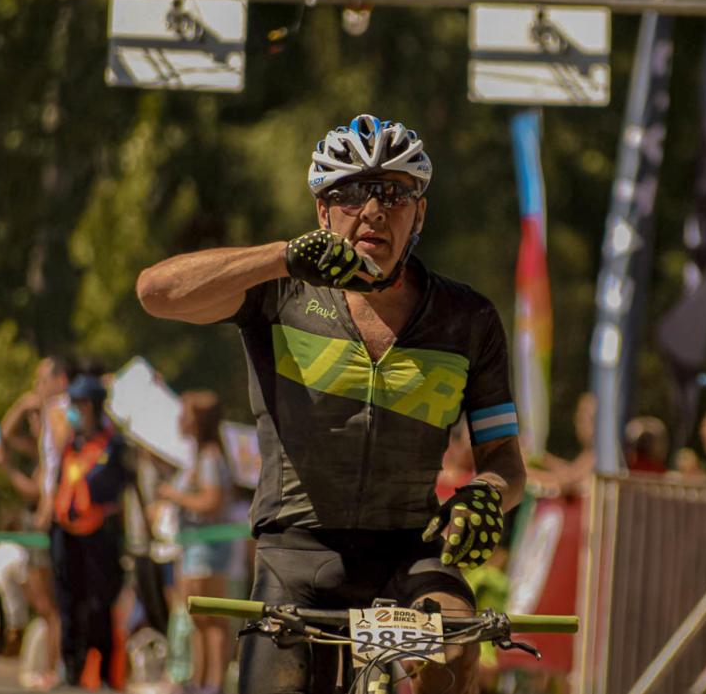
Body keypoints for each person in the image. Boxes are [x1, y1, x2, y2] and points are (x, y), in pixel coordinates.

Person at [137, 114, 527, 694]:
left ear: (419, 213)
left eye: (394, 193)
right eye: (350, 193)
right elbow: (155, 292)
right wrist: (282, 257)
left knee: (451, 650)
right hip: (295, 554)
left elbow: (505, 463)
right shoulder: (280, 292)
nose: (373, 211)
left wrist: (488, 493)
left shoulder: (467, 319)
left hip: (410, 555)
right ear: (322, 211)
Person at [0, 355, 72, 687]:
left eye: (42, 380)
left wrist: (7, 468)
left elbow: (39, 488)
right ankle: (53, 668)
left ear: (60, 380)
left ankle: (54, 670)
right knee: (47, 606)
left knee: (50, 606)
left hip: (48, 523)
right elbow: (4, 433)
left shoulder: (61, 418)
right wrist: (24, 403)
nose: (36, 387)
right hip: (41, 523)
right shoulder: (45, 438)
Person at [51, 374, 131, 687]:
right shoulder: (72, 444)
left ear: (94, 406)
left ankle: (104, 674)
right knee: (68, 603)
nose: (73, 409)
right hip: (66, 534)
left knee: (99, 605)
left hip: (100, 536)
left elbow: (114, 486)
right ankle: (71, 669)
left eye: (80, 403)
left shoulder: (114, 444)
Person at [153, 390, 234, 694]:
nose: (179, 419)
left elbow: (212, 501)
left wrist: (174, 495)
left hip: (207, 547)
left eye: (185, 414)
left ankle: (214, 683)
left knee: (212, 617)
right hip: (192, 545)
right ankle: (199, 681)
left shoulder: (210, 457)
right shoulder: (197, 457)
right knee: (197, 618)